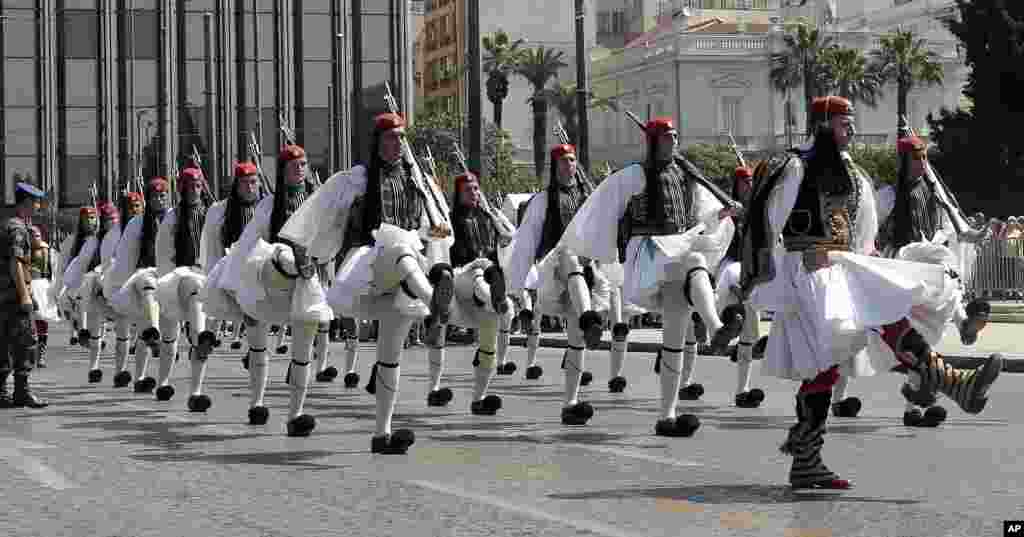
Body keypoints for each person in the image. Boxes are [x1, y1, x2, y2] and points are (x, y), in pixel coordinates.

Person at [741, 96, 1003, 489]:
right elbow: (766, 225)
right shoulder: (795, 166)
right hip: (807, 274)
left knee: (836, 357)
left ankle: (806, 460)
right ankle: (952, 383)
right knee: (859, 336)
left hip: (842, 269)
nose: (852, 130)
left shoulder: (852, 173)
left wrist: (874, 266)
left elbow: (863, 234)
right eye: (844, 123)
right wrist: (774, 279)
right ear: (824, 124)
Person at [279, 112, 455, 454]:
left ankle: (382, 435)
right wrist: (305, 250)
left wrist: (435, 236)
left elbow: (441, 230)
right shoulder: (357, 179)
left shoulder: (418, 182)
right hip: (368, 264)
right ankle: (436, 304)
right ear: (377, 142)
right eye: (390, 138)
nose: (397, 143)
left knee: (390, 356)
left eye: (402, 137)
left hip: (408, 275)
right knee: (399, 246)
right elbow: (320, 212)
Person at [555, 119, 736, 436]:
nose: (675, 140)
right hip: (648, 254)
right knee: (692, 260)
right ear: (654, 141)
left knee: (674, 338)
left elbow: (701, 219)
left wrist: (723, 214)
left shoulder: (686, 176)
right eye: (669, 136)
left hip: (677, 254)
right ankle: (715, 326)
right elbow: (600, 210)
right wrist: (590, 252)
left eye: (677, 134)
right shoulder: (631, 176)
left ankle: (667, 416)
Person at [833, 128, 998, 427]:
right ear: (903, 162)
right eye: (916, 158)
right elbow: (866, 224)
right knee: (861, 339)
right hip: (900, 264)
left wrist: (974, 234)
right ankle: (840, 400)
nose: (923, 163)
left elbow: (957, 227)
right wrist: (866, 254)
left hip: (926, 259)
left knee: (927, 318)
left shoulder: (933, 194)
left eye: (924, 157)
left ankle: (916, 403)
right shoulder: (888, 195)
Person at [206, 144, 332, 435]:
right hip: (271, 282)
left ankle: (295, 415)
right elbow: (246, 246)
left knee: (302, 352)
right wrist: (238, 287)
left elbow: (329, 242)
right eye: (292, 165)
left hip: (307, 281)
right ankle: (257, 403)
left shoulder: (319, 203)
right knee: (259, 345)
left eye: (302, 164)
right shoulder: (267, 206)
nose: (299, 169)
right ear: (282, 170)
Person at [507, 143, 611, 426]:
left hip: (582, 281)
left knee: (576, 339)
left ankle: (570, 404)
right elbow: (525, 242)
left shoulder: (588, 198)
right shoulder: (542, 201)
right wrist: (518, 289)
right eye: (564, 161)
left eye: (573, 160)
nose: (570, 165)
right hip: (553, 275)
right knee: (567, 254)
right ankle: (589, 318)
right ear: (555, 167)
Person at [430, 170, 514, 414]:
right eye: (469, 189)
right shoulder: (450, 217)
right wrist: (438, 220)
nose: (474, 193)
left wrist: (497, 219)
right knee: (480, 270)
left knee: (489, 334)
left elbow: (510, 238)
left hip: (487, 284)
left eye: (477, 188)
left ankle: (479, 398)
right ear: (458, 193)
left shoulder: (488, 218)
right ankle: (434, 388)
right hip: (460, 278)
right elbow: (431, 236)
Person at [153, 167, 218, 408]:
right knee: (169, 338)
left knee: (198, 306)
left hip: (200, 280)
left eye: (198, 186)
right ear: (181, 188)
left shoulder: (211, 216)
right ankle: (163, 382)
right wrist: (169, 283)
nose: (194, 191)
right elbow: (164, 253)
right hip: (173, 278)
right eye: (189, 186)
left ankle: (196, 392)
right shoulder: (172, 217)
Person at [107, 178, 173, 394]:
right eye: (155, 196)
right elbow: (125, 257)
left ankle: (163, 383)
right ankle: (140, 377)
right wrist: (120, 286)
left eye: (163, 195)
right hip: (143, 280)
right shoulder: (136, 224)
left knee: (172, 333)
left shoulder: (174, 218)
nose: (159, 199)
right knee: (147, 329)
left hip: (170, 279)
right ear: (149, 199)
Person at [710, 165, 766, 408]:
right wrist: (725, 214)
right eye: (744, 182)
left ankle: (742, 391)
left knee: (748, 336)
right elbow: (712, 232)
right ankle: (718, 328)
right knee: (734, 279)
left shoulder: (759, 212)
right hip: (729, 270)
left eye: (752, 182)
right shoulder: (727, 210)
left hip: (751, 274)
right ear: (736, 184)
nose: (749, 186)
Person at [201, 162, 262, 364]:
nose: (250, 187)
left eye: (253, 182)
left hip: (258, 270)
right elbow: (211, 248)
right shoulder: (218, 210)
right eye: (244, 183)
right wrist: (213, 274)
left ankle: (255, 351)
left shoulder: (266, 207)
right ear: (236, 185)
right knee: (215, 309)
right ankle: (207, 339)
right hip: (227, 267)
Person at [0, 182, 49, 408]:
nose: (38, 206)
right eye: (36, 202)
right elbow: (15, 264)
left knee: (6, 343)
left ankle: (4, 393)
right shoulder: (17, 228)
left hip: (6, 295)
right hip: (13, 296)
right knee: (27, 341)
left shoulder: (12, 225)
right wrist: (25, 296)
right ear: (27, 203)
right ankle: (21, 392)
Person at [28, 225, 60, 368]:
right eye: (32, 235)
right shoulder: (23, 249)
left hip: (42, 286)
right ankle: (29, 353)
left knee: (42, 321)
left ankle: (40, 355)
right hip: (27, 286)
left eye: (37, 235)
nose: (35, 238)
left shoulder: (48, 251)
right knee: (28, 322)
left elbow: (54, 270)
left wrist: (54, 289)